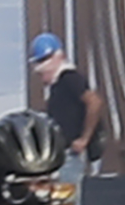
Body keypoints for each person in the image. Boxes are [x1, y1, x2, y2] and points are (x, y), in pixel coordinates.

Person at [29, 33, 106, 179]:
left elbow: (95, 102)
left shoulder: (69, 78)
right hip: (63, 153)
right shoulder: (58, 85)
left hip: (72, 154)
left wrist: (84, 139)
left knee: (66, 196)